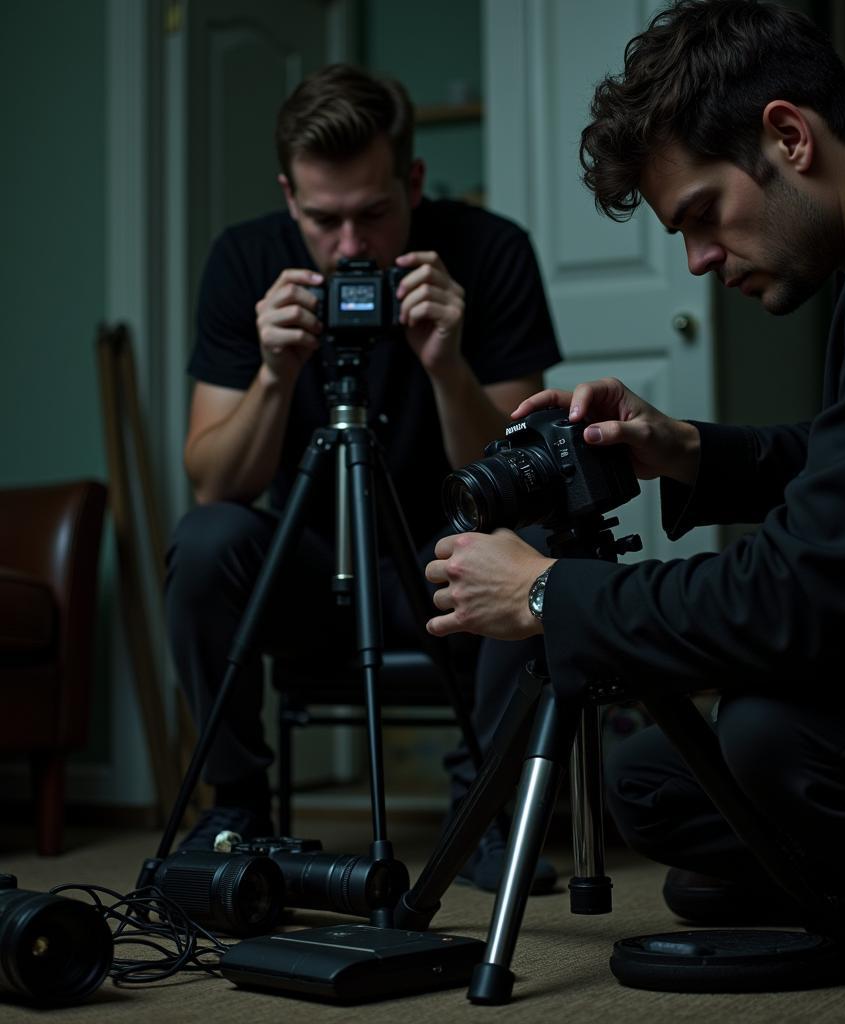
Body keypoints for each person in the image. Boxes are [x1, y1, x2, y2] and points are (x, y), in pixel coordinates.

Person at [423, 0, 845, 962]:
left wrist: (546, 593)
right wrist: (685, 448)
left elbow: (802, 597)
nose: (701, 261)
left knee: (770, 734)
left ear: (788, 136)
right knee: (656, 781)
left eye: (703, 214)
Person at [165, 64, 561, 892]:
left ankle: (484, 803)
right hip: (309, 570)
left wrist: (447, 367)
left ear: (413, 181)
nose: (351, 248)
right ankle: (236, 805)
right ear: (288, 199)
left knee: (534, 538)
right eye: (323, 220)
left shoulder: (491, 251)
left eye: (374, 214)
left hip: (445, 568)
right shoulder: (245, 262)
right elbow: (213, 482)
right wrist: (274, 374)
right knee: (207, 541)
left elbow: (524, 480)